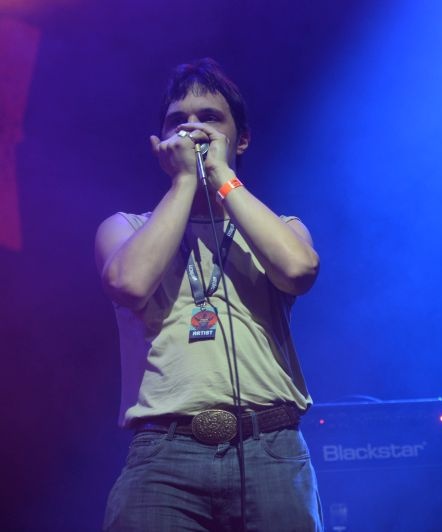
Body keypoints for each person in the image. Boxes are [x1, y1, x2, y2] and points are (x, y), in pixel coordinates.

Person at [95, 58, 323, 531]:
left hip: (269, 447)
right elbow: (130, 284)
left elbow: (298, 270)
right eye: (178, 120)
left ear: (241, 139)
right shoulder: (125, 228)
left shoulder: (281, 227)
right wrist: (184, 180)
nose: (192, 128)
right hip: (163, 456)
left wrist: (219, 175)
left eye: (210, 118)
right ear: (160, 141)